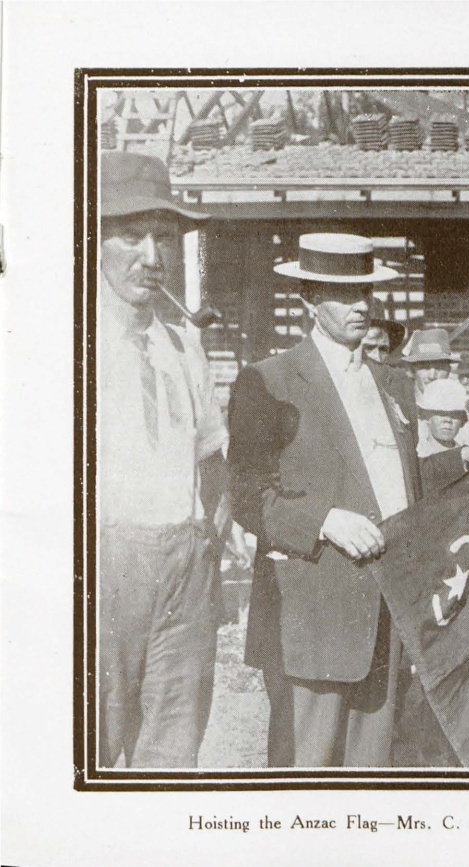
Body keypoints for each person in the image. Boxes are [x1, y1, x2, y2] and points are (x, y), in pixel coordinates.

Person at [227, 233, 469, 767]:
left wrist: (464, 461)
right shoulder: (268, 381)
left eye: (367, 293)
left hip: (385, 614)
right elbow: (244, 493)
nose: (361, 305)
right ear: (309, 298)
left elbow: (401, 485)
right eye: (342, 293)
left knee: (370, 776)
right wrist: (325, 521)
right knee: (305, 779)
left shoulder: (392, 385)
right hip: (312, 619)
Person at [97, 151, 227, 768]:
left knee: (172, 749)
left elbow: (211, 452)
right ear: (92, 239)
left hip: (183, 562)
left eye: (164, 238)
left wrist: (209, 539)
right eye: (130, 236)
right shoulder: (57, 338)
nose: (152, 256)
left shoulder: (181, 343)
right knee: (85, 742)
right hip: (99, 562)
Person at [401, 327, 469, 449]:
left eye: (439, 367)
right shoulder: (402, 411)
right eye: (425, 367)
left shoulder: (459, 413)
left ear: (448, 370)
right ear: (412, 370)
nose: (432, 376)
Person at [416, 377, 469, 457]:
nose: (448, 420)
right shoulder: (418, 454)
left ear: (462, 421)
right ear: (426, 416)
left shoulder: (466, 455)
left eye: (455, 414)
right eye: (441, 413)